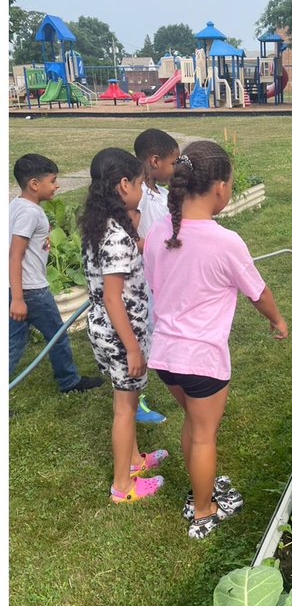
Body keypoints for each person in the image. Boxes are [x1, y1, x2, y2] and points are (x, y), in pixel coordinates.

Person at [142, 139, 288, 539]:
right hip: (202, 361)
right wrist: (277, 320)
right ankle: (203, 511)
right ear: (220, 187)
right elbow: (257, 292)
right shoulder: (226, 242)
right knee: (204, 434)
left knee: (192, 421)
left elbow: (155, 283)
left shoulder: (157, 231)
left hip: (165, 358)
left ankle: (200, 489)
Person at [79, 148, 169, 506]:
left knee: (125, 403)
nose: (143, 191)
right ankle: (122, 486)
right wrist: (132, 347)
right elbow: (115, 298)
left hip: (105, 329)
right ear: (123, 184)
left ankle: (134, 461)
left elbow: (130, 250)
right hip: (121, 334)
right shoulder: (115, 235)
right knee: (125, 408)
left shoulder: (102, 226)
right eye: (139, 183)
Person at [9, 153, 101, 394]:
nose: (57, 185)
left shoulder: (18, 205)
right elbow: (15, 254)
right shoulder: (30, 212)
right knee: (57, 336)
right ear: (34, 184)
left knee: (13, 343)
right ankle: (69, 382)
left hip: (19, 288)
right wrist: (18, 299)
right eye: (53, 180)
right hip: (31, 291)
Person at [131, 127, 179, 425]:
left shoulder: (160, 194)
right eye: (173, 163)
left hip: (161, 278)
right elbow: (127, 239)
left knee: (156, 332)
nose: (175, 169)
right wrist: (157, 244)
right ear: (154, 160)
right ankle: (134, 402)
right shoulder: (137, 198)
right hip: (139, 282)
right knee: (141, 338)